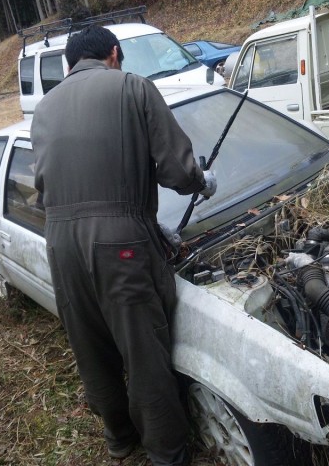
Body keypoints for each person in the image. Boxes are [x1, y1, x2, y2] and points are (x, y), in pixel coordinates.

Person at [31, 25, 216, 466]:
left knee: (90, 343)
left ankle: (118, 437)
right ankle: (167, 453)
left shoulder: (43, 108)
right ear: (115, 53)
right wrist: (202, 181)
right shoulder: (134, 87)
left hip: (59, 243)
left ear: (68, 65)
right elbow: (177, 170)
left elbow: (44, 186)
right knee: (143, 351)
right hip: (121, 244)